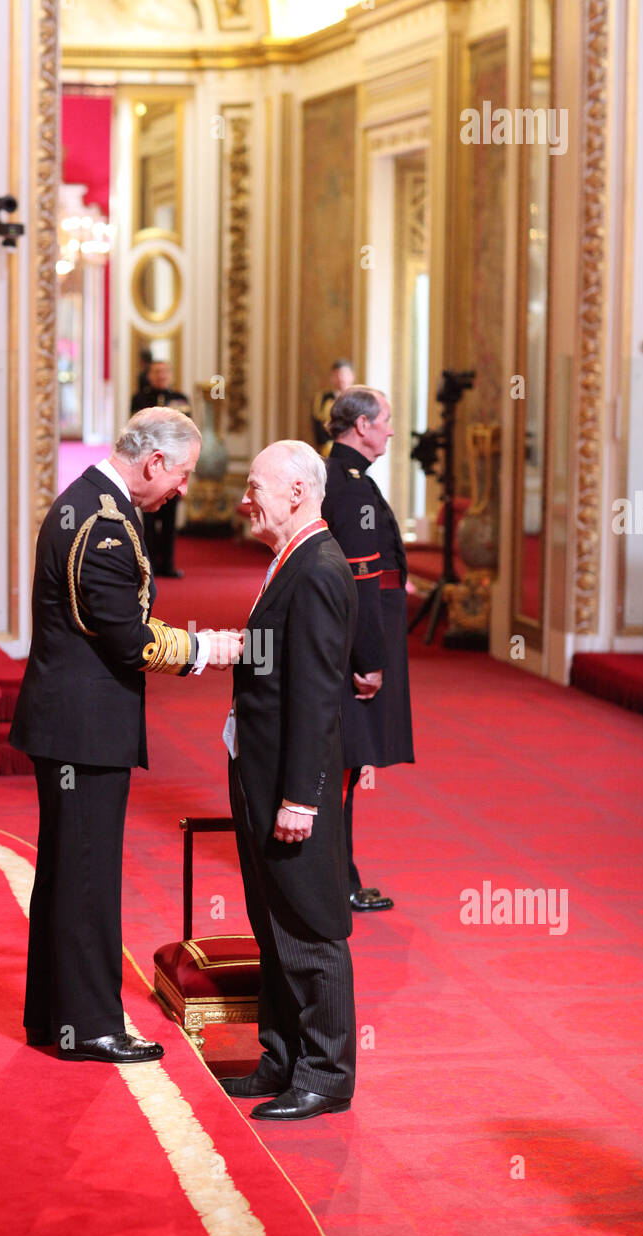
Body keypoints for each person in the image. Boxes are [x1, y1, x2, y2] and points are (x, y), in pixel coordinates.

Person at [10, 407, 241, 1065]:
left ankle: (52, 1016)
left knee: (64, 874)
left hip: (67, 721)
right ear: (154, 463)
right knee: (85, 880)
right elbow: (130, 639)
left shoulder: (88, 502)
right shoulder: (105, 524)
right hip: (81, 728)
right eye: (184, 475)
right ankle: (88, 1026)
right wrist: (208, 648)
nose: (185, 490)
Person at [221, 440, 358, 1120]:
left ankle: (327, 1075)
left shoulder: (320, 569)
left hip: (288, 787)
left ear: (297, 493)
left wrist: (301, 797)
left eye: (255, 488)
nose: (246, 500)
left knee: (309, 926)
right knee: (272, 926)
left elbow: (315, 696)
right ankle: (281, 1058)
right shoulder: (292, 559)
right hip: (260, 775)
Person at [322, 385, 415, 913]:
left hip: (348, 642)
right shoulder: (352, 487)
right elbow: (363, 583)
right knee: (343, 768)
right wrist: (370, 661)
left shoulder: (339, 475)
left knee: (347, 768)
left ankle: (342, 875)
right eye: (386, 420)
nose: (391, 430)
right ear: (361, 426)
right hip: (354, 648)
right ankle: (337, 882)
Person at [130, 361, 191, 577]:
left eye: (165, 371)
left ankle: (168, 564)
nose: (161, 375)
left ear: (171, 374)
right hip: (148, 467)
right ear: (150, 375)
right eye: (156, 372)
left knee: (169, 519)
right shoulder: (139, 399)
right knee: (147, 518)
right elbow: (138, 429)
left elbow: (186, 432)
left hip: (172, 466)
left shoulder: (181, 399)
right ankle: (149, 566)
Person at [311, 359, 354, 459]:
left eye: (344, 374)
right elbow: (318, 425)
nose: (341, 378)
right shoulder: (323, 398)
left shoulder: (359, 398)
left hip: (353, 449)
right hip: (329, 450)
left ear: (352, 376)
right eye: (337, 375)